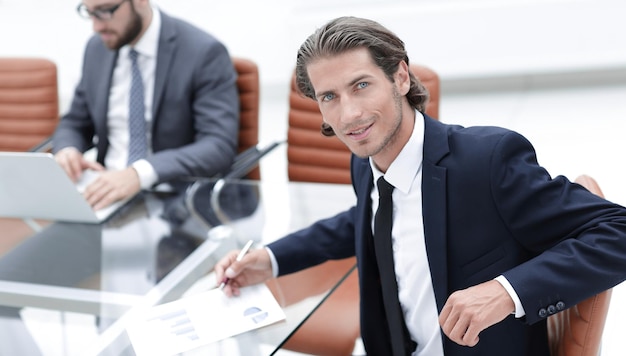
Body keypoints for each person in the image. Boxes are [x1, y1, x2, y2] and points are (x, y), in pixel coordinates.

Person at [214, 16, 626, 356]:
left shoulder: (487, 162)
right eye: (329, 97)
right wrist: (269, 259)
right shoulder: (367, 162)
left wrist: (505, 292)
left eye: (361, 85)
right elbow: (366, 217)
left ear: (400, 77)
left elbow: (618, 232)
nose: (349, 115)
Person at [52, 0, 240, 210]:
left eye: (106, 11)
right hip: (105, 194)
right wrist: (68, 150)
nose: (97, 26)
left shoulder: (203, 52)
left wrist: (139, 173)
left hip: (173, 202)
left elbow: (218, 145)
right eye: (89, 13)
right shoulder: (97, 48)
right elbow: (75, 123)